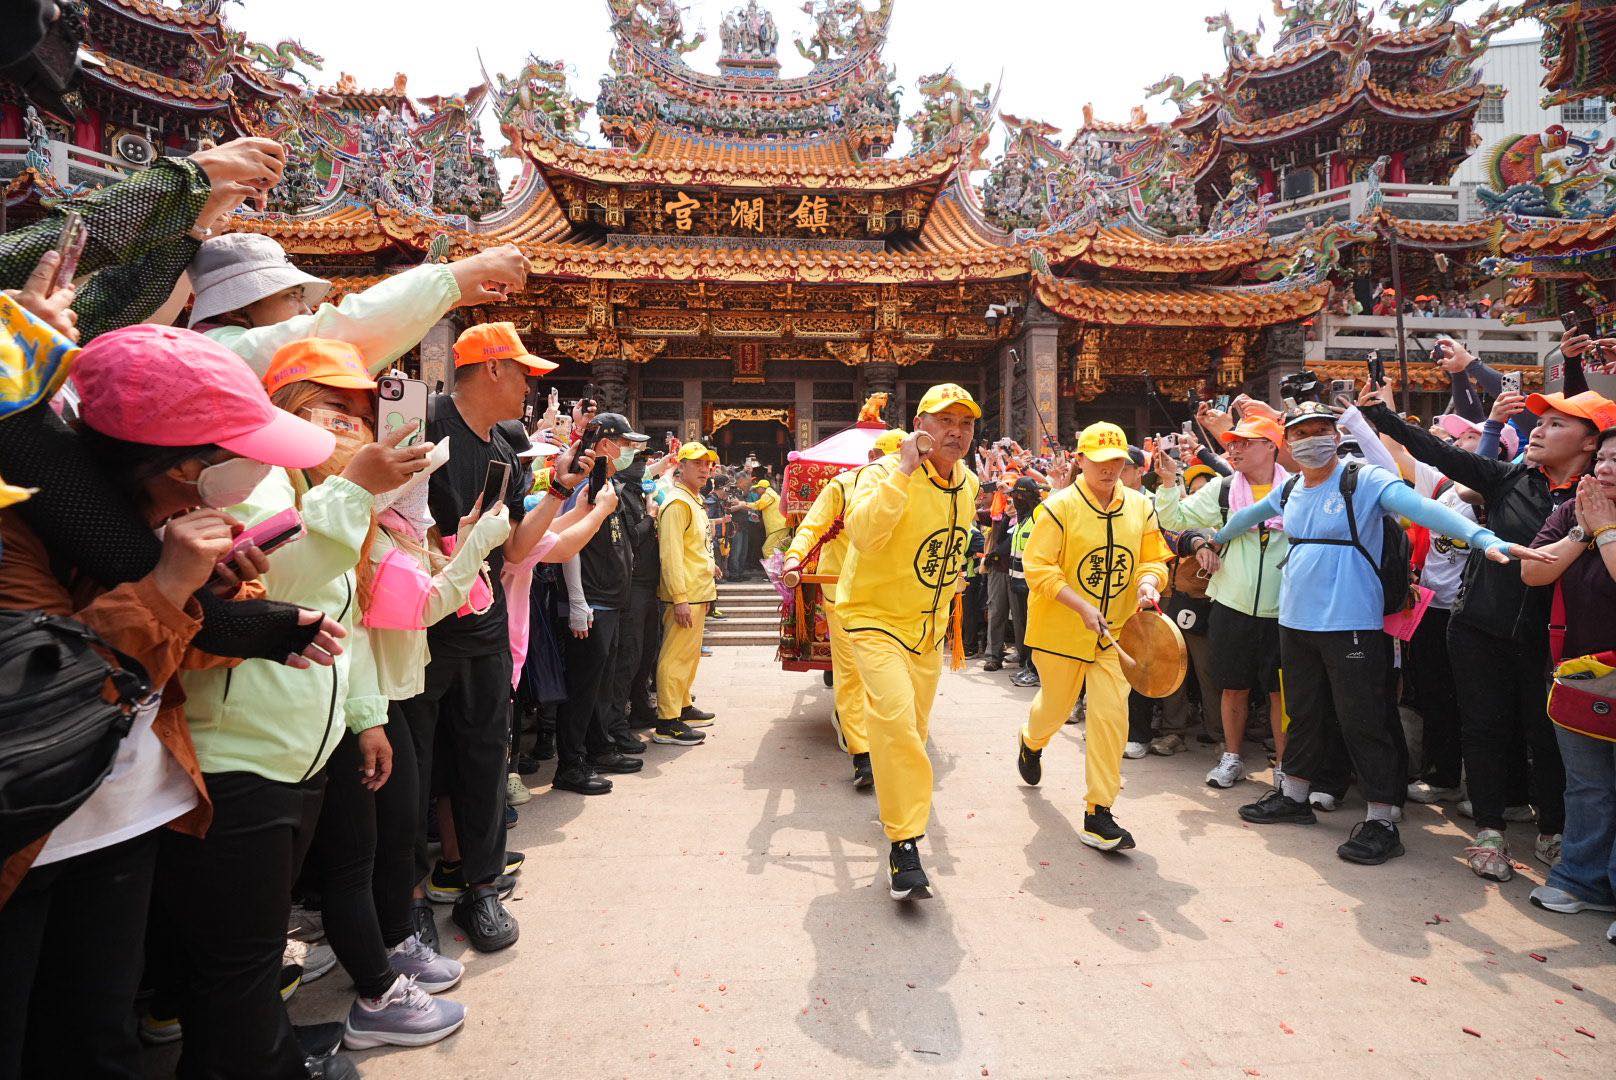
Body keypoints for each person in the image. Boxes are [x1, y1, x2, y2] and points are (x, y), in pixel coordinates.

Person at [0, 325, 341, 1080]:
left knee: (100, 1044)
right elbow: (52, 680)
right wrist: (164, 588)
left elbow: (187, 648)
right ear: (189, 469)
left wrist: (217, 591)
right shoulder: (19, 530)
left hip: (122, 821)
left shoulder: (154, 530)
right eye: (242, 457)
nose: (257, 475)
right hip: (27, 836)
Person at [1216, 402, 1544, 866]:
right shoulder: (1290, 488)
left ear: (1335, 434)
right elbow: (1248, 517)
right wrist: (1216, 537)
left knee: (1364, 718)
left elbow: (1425, 509)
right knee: (1304, 713)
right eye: (1302, 432)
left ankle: (1382, 818)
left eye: (1321, 429)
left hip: (1351, 622)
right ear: (1288, 443)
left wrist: (1484, 540)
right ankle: (1293, 795)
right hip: (1296, 621)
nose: (1312, 439)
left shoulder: (1362, 480)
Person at [1359, 386, 1615, 878]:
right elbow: (1437, 452)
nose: (1538, 430)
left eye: (1557, 424)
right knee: (1483, 727)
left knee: (1545, 733)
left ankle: (1552, 832)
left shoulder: (1599, 496)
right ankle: (1490, 832)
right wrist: (1383, 417)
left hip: (1555, 639)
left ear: (1591, 444)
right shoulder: (1507, 479)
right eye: (1538, 422)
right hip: (1478, 626)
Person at [399, 322, 583, 952]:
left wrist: (559, 489)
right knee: (415, 765)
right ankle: (410, 900)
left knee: (483, 757)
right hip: (419, 621)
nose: (533, 388)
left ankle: (479, 887)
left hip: (480, 620)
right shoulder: (421, 426)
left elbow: (517, 546)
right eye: (527, 373)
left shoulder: (507, 441)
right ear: (495, 370)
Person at [835, 384, 981, 900]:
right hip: (873, 618)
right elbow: (866, 534)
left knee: (913, 733)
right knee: (895, 721)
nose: (956, 432)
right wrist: (902, 470)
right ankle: (905, 846)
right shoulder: (879, 475)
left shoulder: (968, 485)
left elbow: (952, 550)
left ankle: (898, 811)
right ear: (920, 424)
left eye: (965, 423)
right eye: (945, 421)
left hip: (926, 629)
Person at [1015, 422, 1171, 853]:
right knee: (1057, 706)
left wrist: (1149, 584)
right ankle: (1032, 739)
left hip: (1117, 634)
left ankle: (1098, 811)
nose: (1108, 469)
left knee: (1110, 718)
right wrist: (1080, 606)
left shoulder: (1141, 507)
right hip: (1060, 632)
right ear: (1080, 459)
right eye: (1099, 461)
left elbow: (1154, 558)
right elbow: (1039, 568)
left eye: (1117, 461)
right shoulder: (1058, 508)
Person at [187, 232, 533, 378]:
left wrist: (451, 290)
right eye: (291, 295)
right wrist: (463, 273)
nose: (306, 309)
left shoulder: (223, 346)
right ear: (236, 309)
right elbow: (341, 331)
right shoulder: (218, 353)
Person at [1154, 416, 1290, 790]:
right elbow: (1174, 518)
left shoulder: (1296, 489)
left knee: (1280, 691)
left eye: (1246, 442)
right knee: (1233, 686)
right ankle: (1231, 756)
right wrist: (1169, 483)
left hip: (1285, 607)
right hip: (1232, 603)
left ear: (1271, 445)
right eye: (1232, 443)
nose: (1235, 449)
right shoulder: (1224, 490)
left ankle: (1283, 764)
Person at [1524, 428, 1616, 942]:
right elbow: (1533, 575)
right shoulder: (1570, 512)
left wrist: (1605, 530)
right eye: (1601, 457)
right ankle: (1582, 881)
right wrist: (1581, 532)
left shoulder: (1600, 516)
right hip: (1580, 673)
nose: (1604, 467)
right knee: (1587, 787)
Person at [781, 428, 906, 789]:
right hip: (846, 596)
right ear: (870, 460)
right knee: (852, 676)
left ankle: (891, 743)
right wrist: (793, 558)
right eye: (887, 461)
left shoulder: (917, 486)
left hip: (896, 600)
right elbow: (812, 526)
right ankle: (862, 755)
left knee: (894, 679)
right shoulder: (844, 486)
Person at [553, 413, 645, 796]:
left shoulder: (608, 485)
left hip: (610, 601)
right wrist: (577, 601)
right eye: (623, 444)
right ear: (605, 444)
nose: (628, 451)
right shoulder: (583, 488)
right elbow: (568, 546)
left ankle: (598, 748)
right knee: (581, 689)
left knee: (598, 687)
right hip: (591, 602)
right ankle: (570, 765)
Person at [655, 441, 723, 746]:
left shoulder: (694, 500)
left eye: (707, 464)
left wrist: (711, 568)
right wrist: (679, 597)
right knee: (674, 656)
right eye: (697, 463)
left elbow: (694, 547)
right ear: (680, 466)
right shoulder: (677, 503)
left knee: (689, 656)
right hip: (685, 594)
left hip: (699, 590)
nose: (704, 469)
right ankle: (667, 721)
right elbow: (671, 555)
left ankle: (682, 705)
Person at [1005, 477, 1043, 688]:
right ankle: (1027, 666)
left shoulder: (1039, 516)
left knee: (1033, 629)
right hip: (1017, 583)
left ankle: (1035, 670)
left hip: (1033, 586)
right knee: (1023, 628)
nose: (1015, 500)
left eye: (1018, 495)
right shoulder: (1022, 519)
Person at [753, 477, 790, 559]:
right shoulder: (772, 493)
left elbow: (758, 505)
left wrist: (743, 504)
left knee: (767, 549)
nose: (757, 491)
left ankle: (773, 570)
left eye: (757, 488)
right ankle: (779, 569)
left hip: (778, 527)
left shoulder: (767, 494)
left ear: (762, 488)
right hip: (781, 526)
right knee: (779, 550)